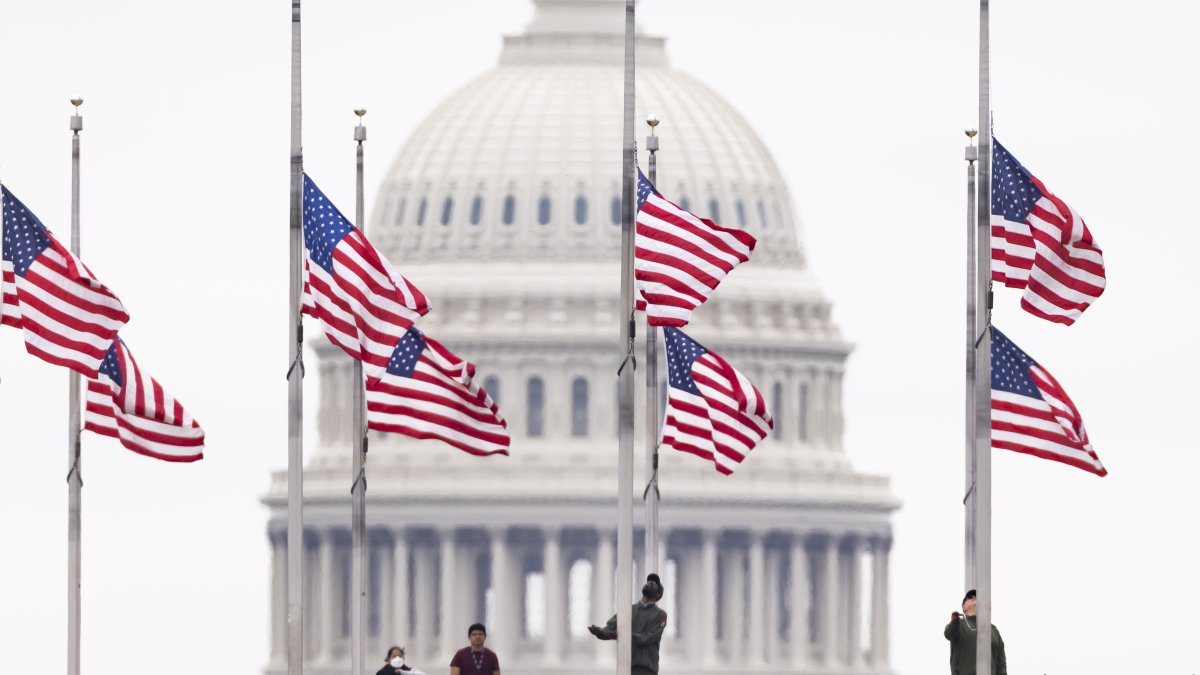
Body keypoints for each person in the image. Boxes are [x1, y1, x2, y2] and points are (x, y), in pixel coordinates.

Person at [587, 573, 668, 675]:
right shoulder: (628, 610)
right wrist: (599, 632)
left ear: (658, 595)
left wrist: (621, 635)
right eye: (649, 581)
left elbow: (647, 638)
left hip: (646, 668)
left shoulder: (660, 615)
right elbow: (610, 628)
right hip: (626, 667)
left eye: (655, 584)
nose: (650, 582)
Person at [944, 589, 1008, 675]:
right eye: (970, 597)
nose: (974, 598)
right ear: (964, 608)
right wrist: (955, 621)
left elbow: (1001, 663)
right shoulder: (959, 625)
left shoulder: (993, 630)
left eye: (977, 597)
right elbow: (948, 634)